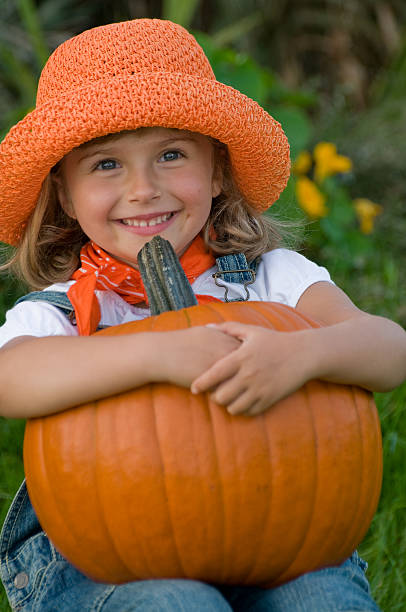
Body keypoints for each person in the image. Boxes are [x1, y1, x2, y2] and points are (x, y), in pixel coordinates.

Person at [0, 18, 404, 612]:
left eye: (171, 155)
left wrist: (301, 353)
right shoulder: (62, 311)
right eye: (106, 165)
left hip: (287, 531)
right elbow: (10, 379)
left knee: (323, 598)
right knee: (176, 602)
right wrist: (153, 352)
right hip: (107, 565)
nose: (143, 189)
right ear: (64, 193)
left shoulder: (272, 278)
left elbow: (389, 348)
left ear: (216, 171)